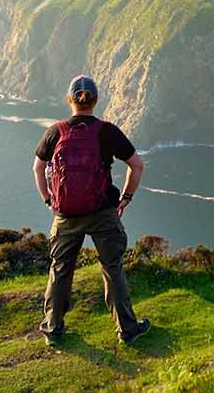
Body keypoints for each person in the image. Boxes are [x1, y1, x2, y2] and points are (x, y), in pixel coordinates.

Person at [33, 75, 150, 347]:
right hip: (102, 212)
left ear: (69, 100)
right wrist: (126, 198)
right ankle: (127, 330)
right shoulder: (107, 131)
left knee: (60, 270)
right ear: (96, 100)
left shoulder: (55, 131)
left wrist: (49, 201)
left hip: (65, 215)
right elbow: (137, 165)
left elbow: (38, 168)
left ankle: (53, 329)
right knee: (112, 268)